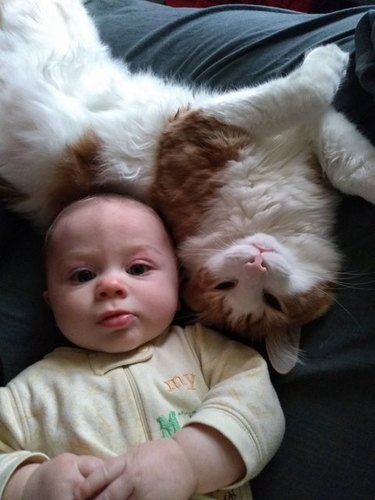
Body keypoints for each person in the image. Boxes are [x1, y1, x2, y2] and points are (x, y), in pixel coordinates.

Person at [0, 193, 284, 500]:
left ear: (178, 279)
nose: (110, 285)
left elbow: (257, 405)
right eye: (83, 275)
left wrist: (187, 461)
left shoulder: (204, 352)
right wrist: (29, 485)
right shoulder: (28, 395)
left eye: (137, 269)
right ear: (51, 302)